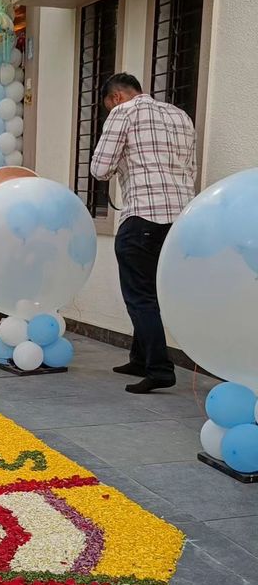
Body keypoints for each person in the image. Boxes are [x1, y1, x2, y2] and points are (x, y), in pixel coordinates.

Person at [91, 73, 196, 394]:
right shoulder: (180, 116)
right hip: (181, 221)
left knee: (140, 296)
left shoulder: (124, 113)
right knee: (154, 291)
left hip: (143, 217)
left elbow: (99, 167)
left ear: (116, 98)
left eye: (108, 105)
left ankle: (159, 368)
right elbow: (188, 168)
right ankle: (139, 357)